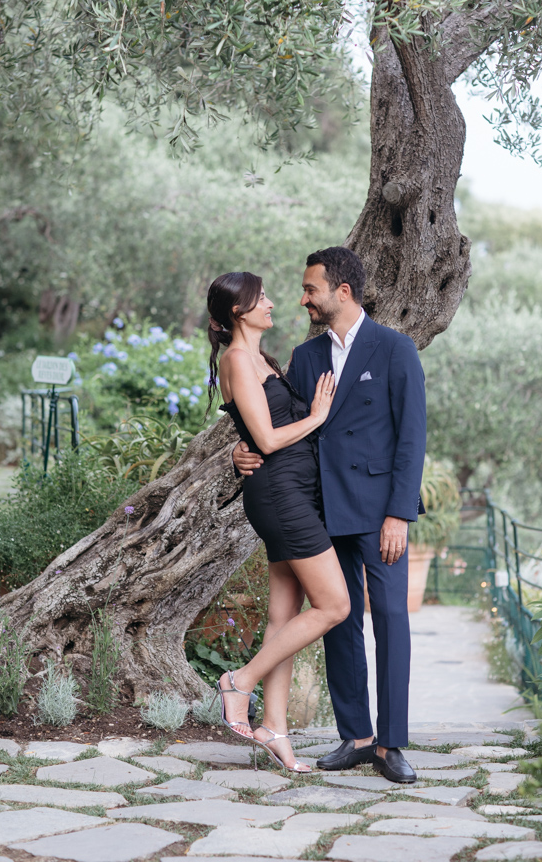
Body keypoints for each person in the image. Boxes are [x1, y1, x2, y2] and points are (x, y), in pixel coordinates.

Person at [234, 247, 426, 783]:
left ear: (342, 292)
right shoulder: (306, 355)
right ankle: (356, 736)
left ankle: (390, 744)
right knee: (339, 621)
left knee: (390, 621)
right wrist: (241, 451)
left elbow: (412, 439)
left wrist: (399, 515)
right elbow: (282, 423)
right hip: (322, 508)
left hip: (380, 515)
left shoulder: (395, 349)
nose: (303, 299)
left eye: (311, 289)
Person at [206, 270, 351, 774]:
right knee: (335, 604)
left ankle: (275, 730)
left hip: (291, 493)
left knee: (282, 618)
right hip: (282, 497)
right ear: (237, 313)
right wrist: (317, 416)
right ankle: (238, 682)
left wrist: (235, 450)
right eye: (260, 298)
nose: (270, 303)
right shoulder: (238, 360)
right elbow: (266, 440)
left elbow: (250, 432)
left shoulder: (259, 359)